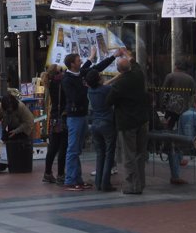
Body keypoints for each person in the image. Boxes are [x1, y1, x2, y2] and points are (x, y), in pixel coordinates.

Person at [61, 46, 119, 191]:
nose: (80, 61)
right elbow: (74, 97)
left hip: (82, 115)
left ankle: (77, 179)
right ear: (72, 64)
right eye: (78, 60)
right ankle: (70, 180)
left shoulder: (79, 73)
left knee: (77, 149)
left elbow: (97, 68)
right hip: (74, 117)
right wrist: (87, 86)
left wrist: (112, 57)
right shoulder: (67, 79)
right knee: (73, 149)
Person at [106, 50, 150, 195]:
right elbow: (134, 62)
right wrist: (125, 52)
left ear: (119, 71)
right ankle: (141, 184)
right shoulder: (138, 75)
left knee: (128, 155)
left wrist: (109, 82)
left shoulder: (119, 84)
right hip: (142, 120)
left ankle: (131, 186)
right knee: (140, 154)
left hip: (127, 123)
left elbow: (109, 101)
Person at [162, 59, 196, 185]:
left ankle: (173, 154)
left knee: (170, 133)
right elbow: (193, 94)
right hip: (185, 108)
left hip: (171, 108)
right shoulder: (190, 79)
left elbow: (164, 91)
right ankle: (180, 156)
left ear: (176, 66)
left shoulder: (170, 76)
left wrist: (163, 106)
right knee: (181, 134)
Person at [86, 69, 117, 192]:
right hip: (107, 123)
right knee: (109, 153)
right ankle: (105, 183)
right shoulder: (106, 90)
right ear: (99, 79)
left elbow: (104, 85)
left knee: (100, 154)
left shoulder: (90, 90)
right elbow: (109, 88)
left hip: (95, 123)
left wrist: (115, 78)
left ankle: (98, 182)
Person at [42, 64, 66, 184]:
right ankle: (61, 174)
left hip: (54, 117)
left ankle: (47, 173)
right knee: (63, 147)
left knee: (52, 147)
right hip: (62, 117)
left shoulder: (50, 82)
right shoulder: (61, 82)